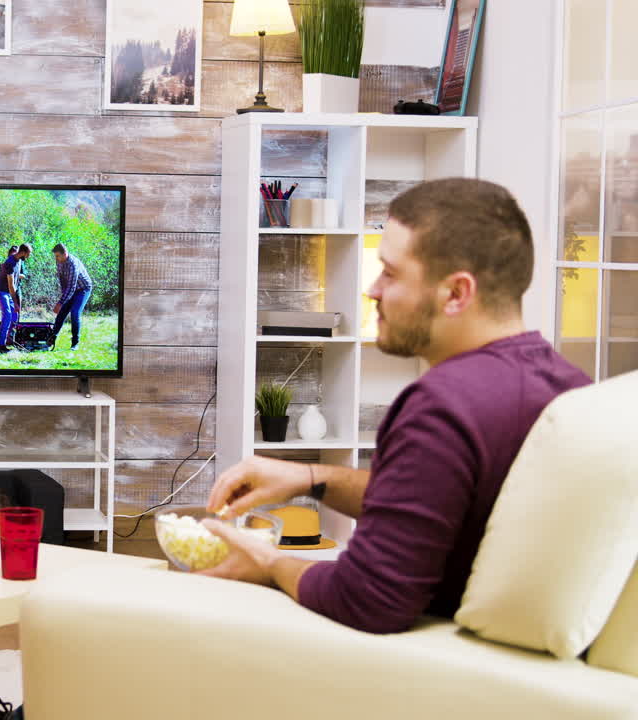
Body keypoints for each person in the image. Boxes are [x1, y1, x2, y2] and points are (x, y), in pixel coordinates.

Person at [201, 178, 591, 634]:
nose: (371, 289)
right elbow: (436, 507)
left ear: (456, 294)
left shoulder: (443, 404)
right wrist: (310, 478)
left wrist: (267, 562)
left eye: (389, 272)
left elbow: (367, 600)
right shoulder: (567, 384)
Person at [50, 243, 93, 351]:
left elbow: (71, 287)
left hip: (83, 289)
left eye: (58, 256)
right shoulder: (59, 261)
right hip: (71, 289)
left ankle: (75, 344)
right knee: (61, 313)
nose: (56, 258)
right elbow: (62, 279)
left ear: (65, 254)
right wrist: (63, 299)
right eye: (55, 256)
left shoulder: (73, 265)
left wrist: (60, 302)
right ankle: (50, 340)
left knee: (75, 313)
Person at [0, 243, 32, 353]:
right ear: (24, 252)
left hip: (9, 292)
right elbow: (11, 286)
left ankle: (11, 340)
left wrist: (16, 303)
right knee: (7, 316)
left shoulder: (19, 260)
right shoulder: (10, 263)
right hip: (2, 291)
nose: (29, 256)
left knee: (15, 316)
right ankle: (0, 345)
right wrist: (16, 302)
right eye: (28, 254)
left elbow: (15, 283)